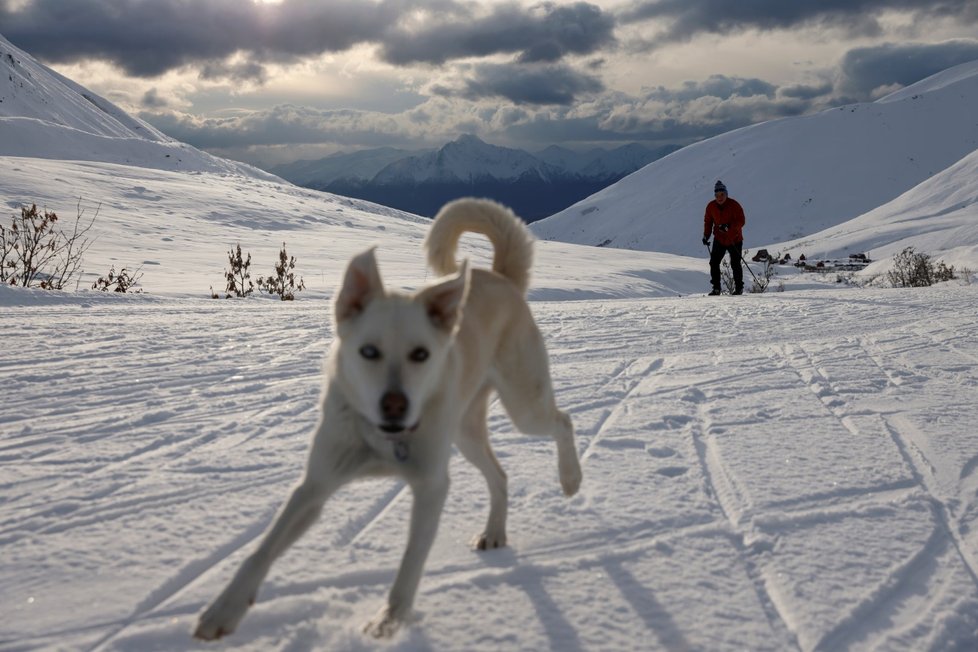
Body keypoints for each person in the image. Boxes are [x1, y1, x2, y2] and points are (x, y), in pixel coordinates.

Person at [702, 180, 746, 295]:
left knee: (735, 264)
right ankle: (716, 288)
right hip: (720, 239)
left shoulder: (734, 205)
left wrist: (729, 226)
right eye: (717, 195)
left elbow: (741, 221)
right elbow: (708, 222)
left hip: (734, 238)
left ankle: (739, 288)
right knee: (714, 262)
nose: (719, 197)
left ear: (726, 194)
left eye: (722, 194)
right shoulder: (711, 206)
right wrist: (706, 236)